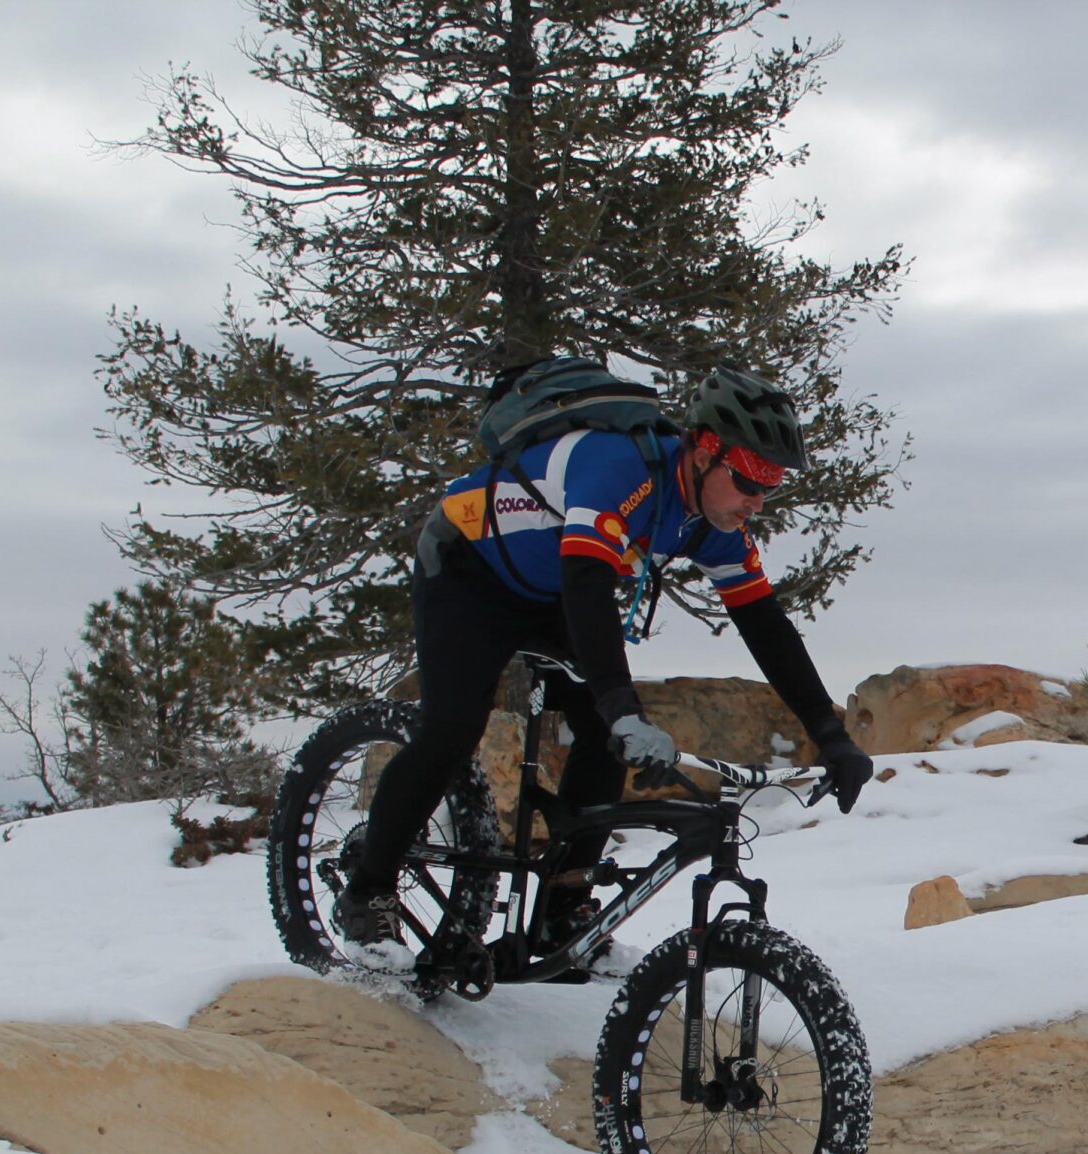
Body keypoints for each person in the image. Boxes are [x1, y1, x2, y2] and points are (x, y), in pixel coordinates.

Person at [337, 364, 874, 945]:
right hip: (469, 571)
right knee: (452, 730)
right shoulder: (617, 467)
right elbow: (589, 588)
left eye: (772, 486)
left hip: (551, 591)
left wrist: (831, 732)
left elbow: (764, 624)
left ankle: (561, 912)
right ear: (704, 451)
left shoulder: (713, 523)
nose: (759, 502)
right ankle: (368, 890)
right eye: (751, 480)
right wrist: (622, 707)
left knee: (602, 735)